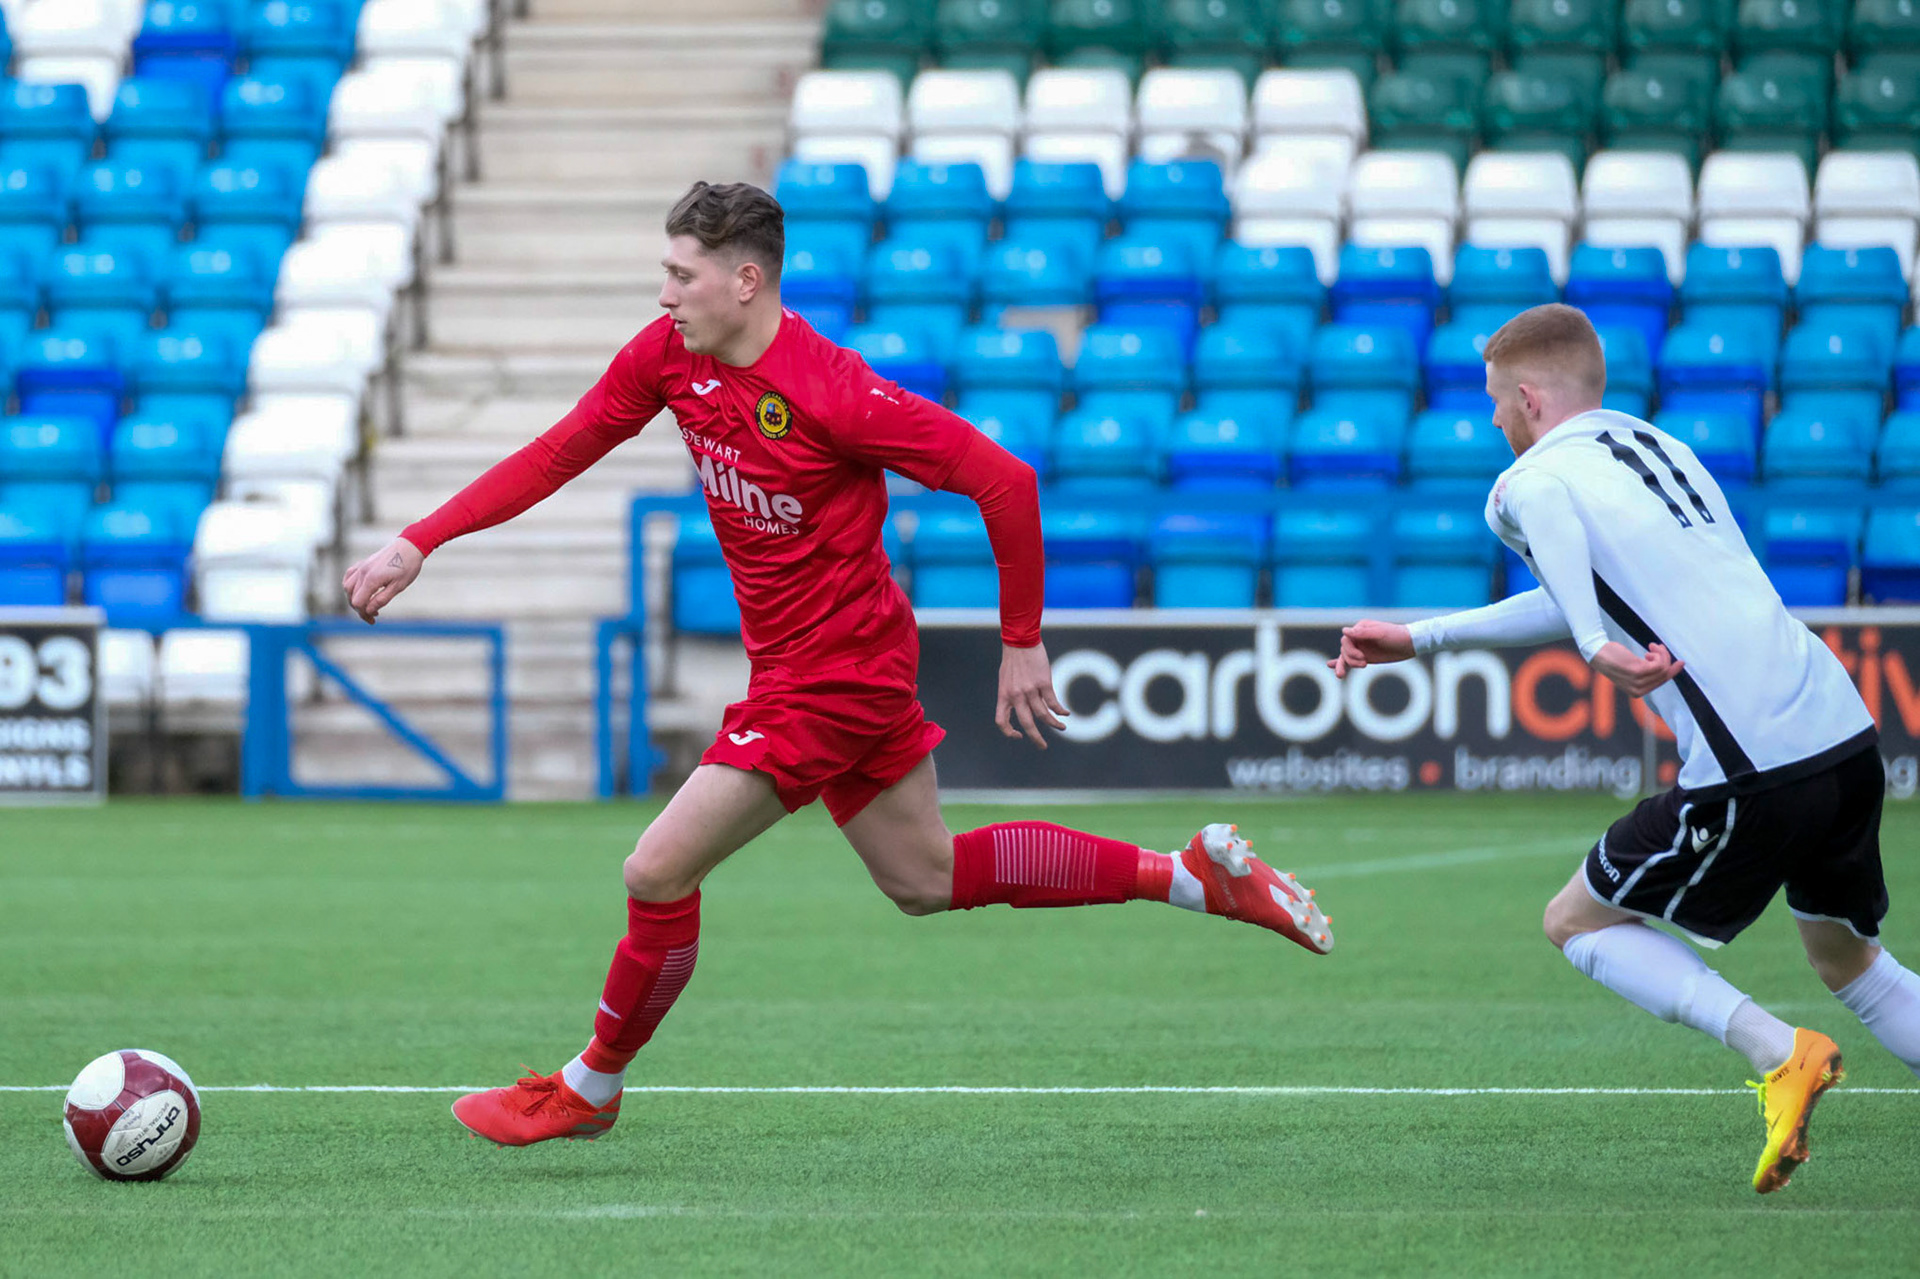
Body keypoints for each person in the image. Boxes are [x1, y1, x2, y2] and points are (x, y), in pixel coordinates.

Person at [341, 181, 1334, 1148]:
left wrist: (1021, 639)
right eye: (663, 271)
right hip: (815, 665)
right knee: (925, 875)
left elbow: (1005, 479)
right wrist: (421, 541)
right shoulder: (668, 359)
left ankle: (589, 1085)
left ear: (744, 280)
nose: (663, 294)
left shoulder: (832, 391)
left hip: (836, 679)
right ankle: (1190, 875)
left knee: (656, 867)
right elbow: (562, 448)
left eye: (680, 274)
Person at [1331, 303, 1920, 1193]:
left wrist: (1590, 645)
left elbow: (1546, 515)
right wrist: (1423, 639)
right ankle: (1794, 1047)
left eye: (1497, 402)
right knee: (1846, 958)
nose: (1494, 421)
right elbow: (1585, 588)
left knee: (1575, 920)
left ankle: (1779, 1051)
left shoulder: (1530, 478)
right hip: (1842, 732)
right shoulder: (1659, 450)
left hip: (1755, 762)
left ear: (1528, 397)